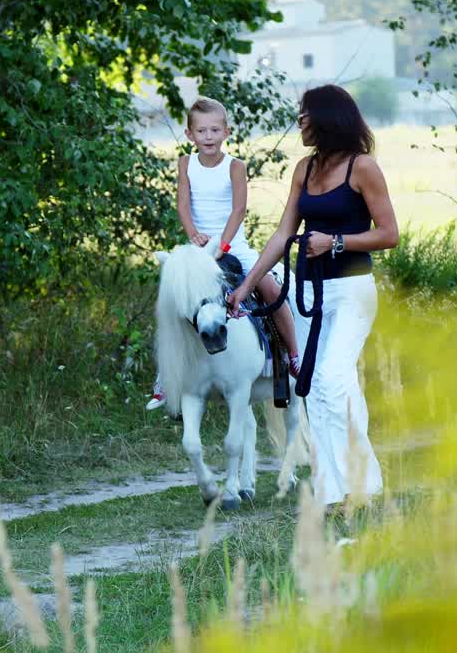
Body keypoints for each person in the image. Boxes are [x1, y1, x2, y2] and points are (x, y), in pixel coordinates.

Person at [225, 85, 399, 510]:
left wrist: (336, 242)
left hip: (352, 291)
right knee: (314, 387)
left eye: (305, 115)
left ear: (327, 118)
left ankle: (352, 487)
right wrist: (245, 288)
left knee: (330, 380)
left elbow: (389, 233)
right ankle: (342, 488)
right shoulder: (304, 169)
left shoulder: (363, 168)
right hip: (308, 292)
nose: (299, 122)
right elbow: (284, 234)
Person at [147, 97, 301, 411]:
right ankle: (166, 375)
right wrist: (192, 233)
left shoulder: (234, 166)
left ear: (226, 132)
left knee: (270, 289)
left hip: (232, 243)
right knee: (173, 297)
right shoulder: (185, 163)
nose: (208, 136)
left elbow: (239, 209)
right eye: (201, 131)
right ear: (190, 135)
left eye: (215, 130)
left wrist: (225, 245)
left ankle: (291, 354)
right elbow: (183, 204)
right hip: (199, 245)